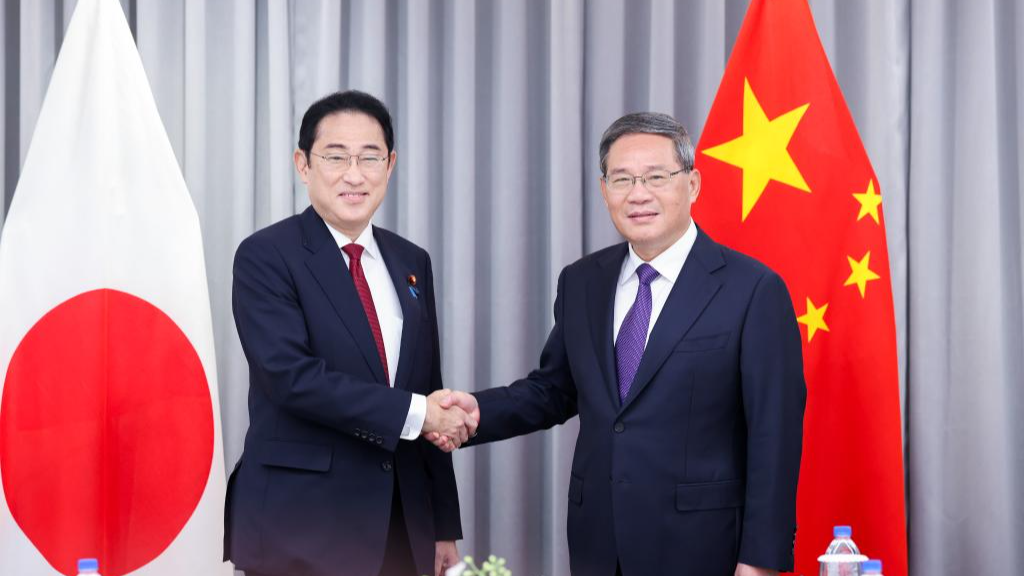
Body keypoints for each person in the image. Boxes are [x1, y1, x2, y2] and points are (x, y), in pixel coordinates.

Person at [431, 112, 806, 576]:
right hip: (598, 544)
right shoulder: (583, 282)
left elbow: (775, 435)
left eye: (655, 177)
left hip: (704, 547)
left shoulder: (752, 289)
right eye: (622, 179)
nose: (638, 194)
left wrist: (761, 560)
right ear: (604, 188)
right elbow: (554, 390)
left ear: (692, 184)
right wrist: (475, 412)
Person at [225, 90, 476, 576]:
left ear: (391, 164)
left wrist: (442, 521)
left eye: (369, 157)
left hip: (402, 522)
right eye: (335, 157)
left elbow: (426, 385)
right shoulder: (266, 255)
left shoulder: (411, 261)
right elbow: (291, 377)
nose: (354, 174)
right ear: (303, 164)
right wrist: (421, 413)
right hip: (300, 522)